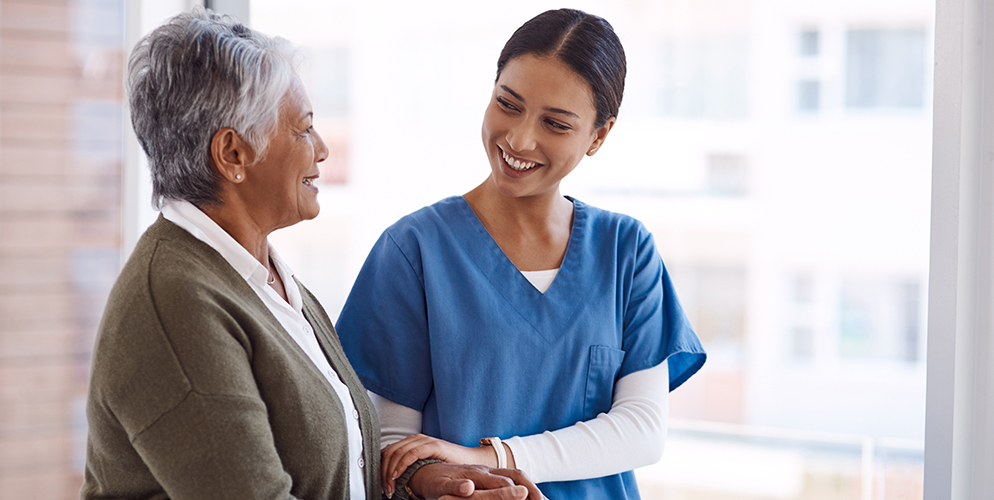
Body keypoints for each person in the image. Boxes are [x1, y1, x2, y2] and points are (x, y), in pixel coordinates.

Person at [81, 8, 542, 500]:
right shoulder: (176, 303)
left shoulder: (259, 273)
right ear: (233, 154)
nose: (321, 149)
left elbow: (327, 458)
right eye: (303, 129)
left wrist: (417, 483)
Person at [336, 8, 707, 500]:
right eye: (507, 104)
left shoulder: (625, 251)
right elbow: (394, 443)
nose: (518, 138)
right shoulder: (414, 251)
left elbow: (641, 428)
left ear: (599, 135)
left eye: (555, 123)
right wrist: (451, 479)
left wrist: (492, 457)